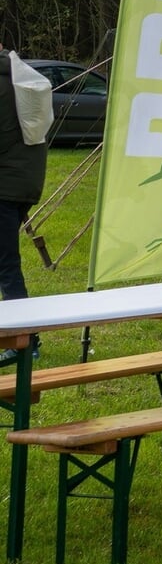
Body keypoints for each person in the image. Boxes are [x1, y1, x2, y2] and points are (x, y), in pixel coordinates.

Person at [1, 40, 51, 361]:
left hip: (5, 186)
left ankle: (24, 343)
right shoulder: (20, 77)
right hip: (24, 184)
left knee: (6, 265)